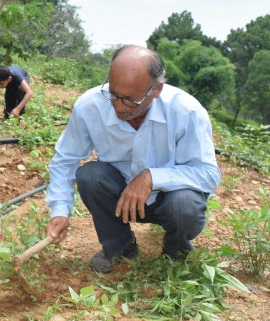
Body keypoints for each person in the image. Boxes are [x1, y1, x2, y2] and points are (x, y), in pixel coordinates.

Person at [45, 45, 220, 273]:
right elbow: (65, 160)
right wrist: (60, 210)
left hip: (168, 199)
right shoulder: (90, 106)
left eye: (129, 100)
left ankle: (175, 252)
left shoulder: (186, 111)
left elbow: (208, 174)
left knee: (184, 204)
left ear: (156, 90)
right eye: (113, 94)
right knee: (90, 176)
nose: (118, 105)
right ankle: (121, 246)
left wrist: (151, 177)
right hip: (120, 198)